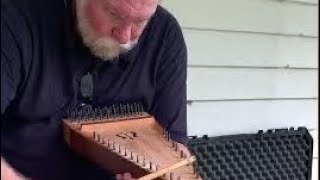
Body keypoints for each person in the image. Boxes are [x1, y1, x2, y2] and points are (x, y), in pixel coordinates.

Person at [1, 0, 189, 179]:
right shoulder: (14, 19)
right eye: (115, 13)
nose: (125, 36)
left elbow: (174, 149)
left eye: (141, 21)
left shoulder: (165, 38)